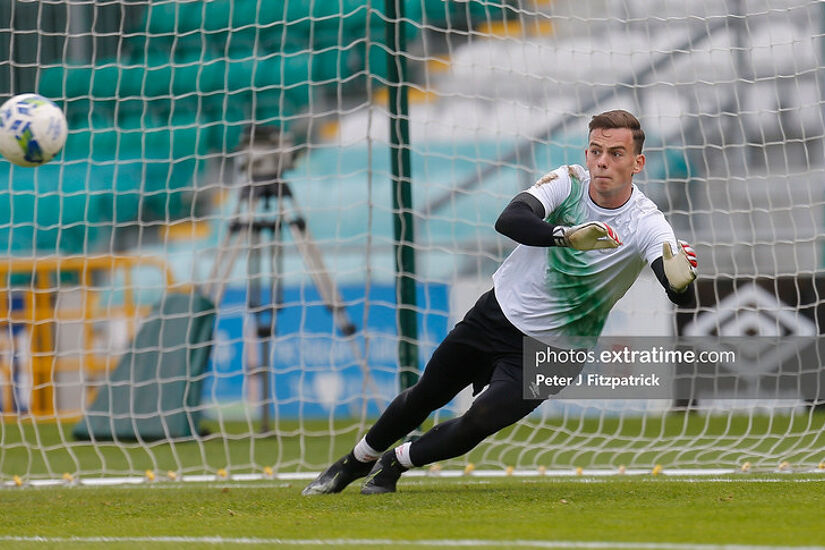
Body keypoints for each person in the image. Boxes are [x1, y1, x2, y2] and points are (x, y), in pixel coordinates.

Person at [302, 109, 698, 495]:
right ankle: (355, 461)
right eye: (595, 150)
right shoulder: (570, 182)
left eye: (616, 154)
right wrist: (564, 235)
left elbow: (677, 289)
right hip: (498, 314)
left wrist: (681, 280)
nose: (602, 162)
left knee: (480, 420)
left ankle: (397, 461)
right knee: (426, 394)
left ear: (638, 162)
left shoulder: (648, 221)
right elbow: (509, 219)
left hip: (556, 350)